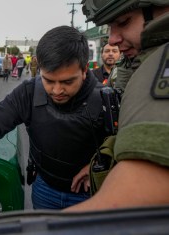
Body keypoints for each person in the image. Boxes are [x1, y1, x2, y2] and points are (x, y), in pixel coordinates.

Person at [0, 26, 107, 209]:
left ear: (85, 69)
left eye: (67, 82)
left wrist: (96, 165)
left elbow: (125, 147)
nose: (57, 90)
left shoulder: (105, 99)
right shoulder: (29, 92)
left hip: (91, 195)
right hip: (45, 190)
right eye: (48, 80)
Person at [64, 0, 169, 212]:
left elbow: (128, 204)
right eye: (110, 27)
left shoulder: (160, 64)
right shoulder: (136, 64)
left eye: (123, 22)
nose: (112, 39)